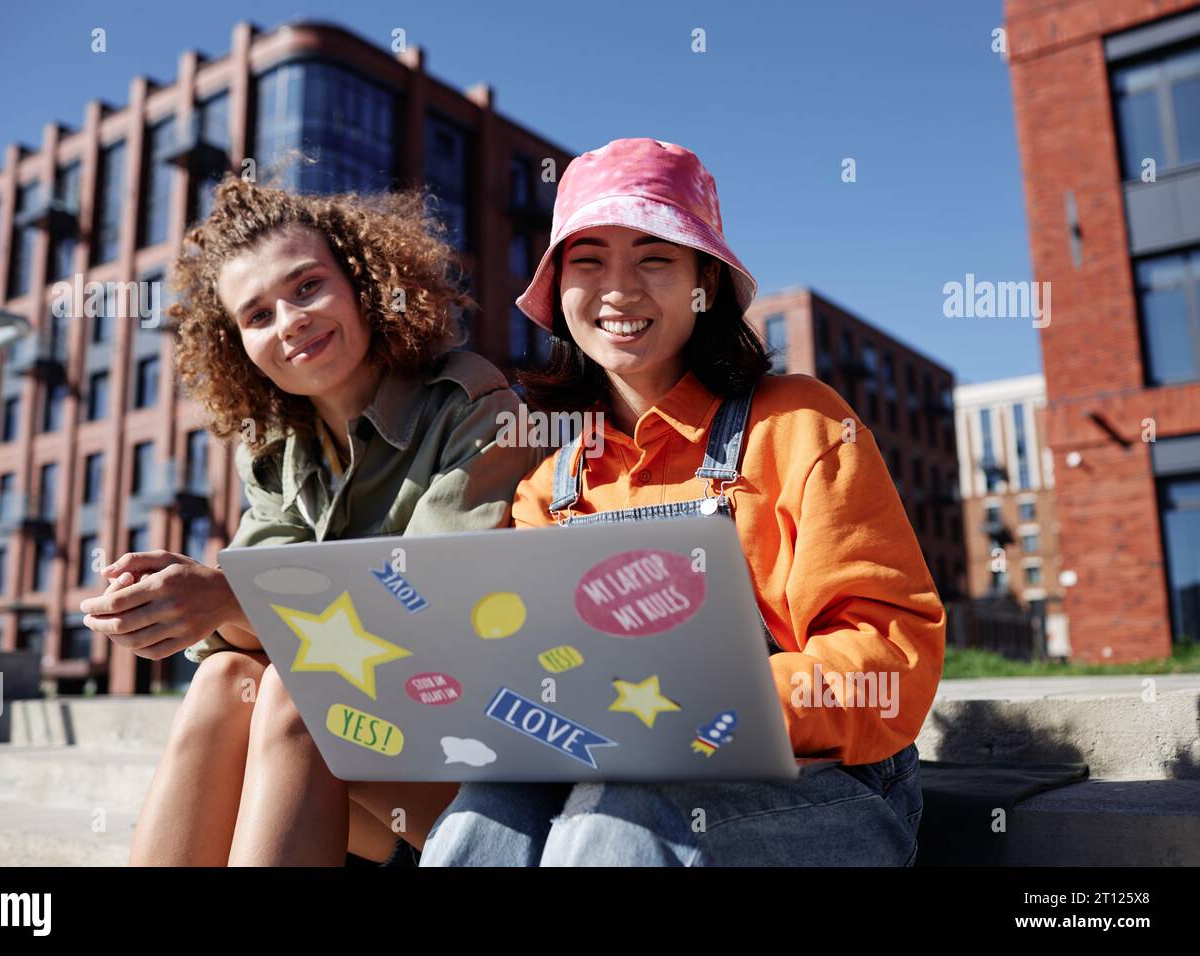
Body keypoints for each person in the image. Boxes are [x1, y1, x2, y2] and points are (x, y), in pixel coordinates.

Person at [419, 138, 945, 866]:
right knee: (481, 822)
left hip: (829, 790)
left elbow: (892, 657)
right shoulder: (550, 487)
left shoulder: (801, 423)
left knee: (620, 823)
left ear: (707, 281)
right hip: (610, 779)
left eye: (655, 258)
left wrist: (715, 712)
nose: (618, 289)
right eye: (588, 258)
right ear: (559, 288)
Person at [78, 176, 541, 865]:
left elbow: (441, 610)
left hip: (474, 764)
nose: (289, 320)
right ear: (238, 345)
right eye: (257, 315)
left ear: (363, 283)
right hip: (351, 779)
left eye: (306, 287)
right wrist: (185, 601)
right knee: (223, 682)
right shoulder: (275, 453)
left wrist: (229, 596)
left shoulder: (469, 401)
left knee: (304, 690)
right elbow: (237, 641)